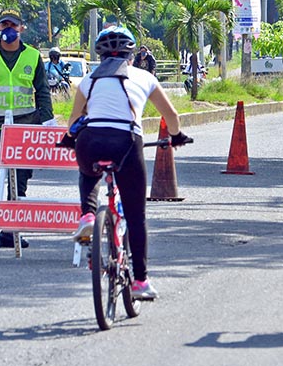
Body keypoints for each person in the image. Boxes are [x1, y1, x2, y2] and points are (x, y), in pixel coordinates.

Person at [64, 26, 191, 300]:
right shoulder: (144, 76)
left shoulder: (88, 80)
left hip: (90, 140)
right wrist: (177, 136)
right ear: (132, 55)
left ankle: (88, 215)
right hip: (126, 142)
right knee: (135, 216)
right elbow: (172, 115)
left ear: (101, 57)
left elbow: (73, 122)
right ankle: (140, 282)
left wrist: (69, 139)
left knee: (88, 173)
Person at [0, 9, 54, 250]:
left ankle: (10, 230)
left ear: (21, 28)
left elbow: (43, 92)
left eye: (13, 25)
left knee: (19, 182)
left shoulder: (33, 57)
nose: (8, 30)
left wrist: (47, 126)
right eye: (4, 25)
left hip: (25, 130)